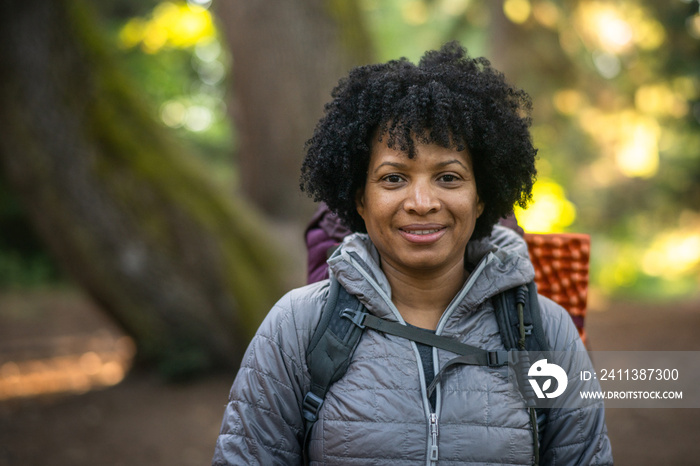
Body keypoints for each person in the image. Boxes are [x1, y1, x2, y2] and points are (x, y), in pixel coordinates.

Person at [213, 42, 613, 465]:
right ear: (360, 201)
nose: (421, 201)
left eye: (447, 176)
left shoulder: (546, 330)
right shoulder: (295, 327)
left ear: (482, 199)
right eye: (393, 178)